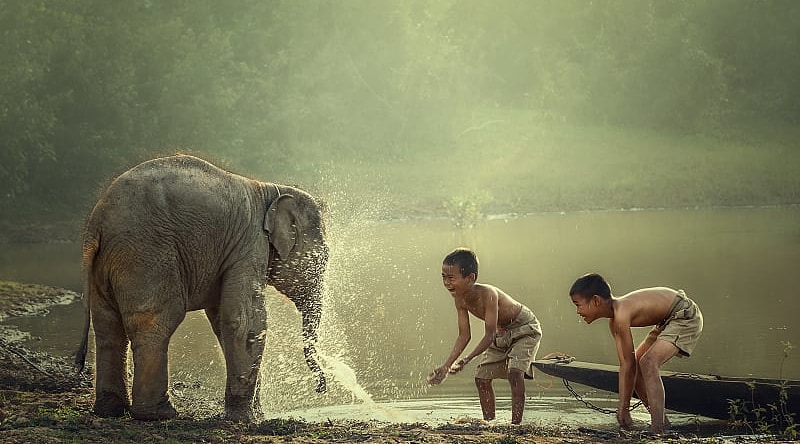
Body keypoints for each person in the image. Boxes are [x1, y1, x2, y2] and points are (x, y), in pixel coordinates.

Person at [568, 273, 703, 434]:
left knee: (648, 362)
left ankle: (657, 429)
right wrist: (623, 407)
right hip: (666, 321)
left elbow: (628, 365)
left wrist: (624, 408)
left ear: (596, 301)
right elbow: (627, 364)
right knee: (639, 363)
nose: (577, 311)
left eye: (578, 305)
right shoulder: (615, 321)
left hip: (684, 315)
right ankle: (663, 422)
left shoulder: (622, 313)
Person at [427, 247, 542, 424]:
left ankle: (515, 425)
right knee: (481, 377)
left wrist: (466, 360)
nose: (447, 283)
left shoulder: (489, 294)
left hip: (524, 328)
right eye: (443, 277)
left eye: (451, 278)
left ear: (470, 278)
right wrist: (446, 366)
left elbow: (488, 336)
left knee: (515, 373)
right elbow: (464, 336)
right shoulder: (459, 299)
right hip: (501, 332)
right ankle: (489, 423)